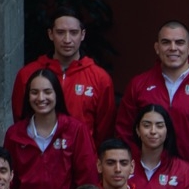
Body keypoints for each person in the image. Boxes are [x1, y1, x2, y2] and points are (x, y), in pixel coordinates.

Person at [113, 21, 189, 176]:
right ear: (157, 48)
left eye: (179, 42)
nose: (173, 48)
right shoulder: (138, 85)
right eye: (166, 42)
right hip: (145, 179)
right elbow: (124, 134)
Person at [4, 68, 99, 189]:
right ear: (27, 97)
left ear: (57, 95)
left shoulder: (75, 130)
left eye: (47, 92)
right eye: (34, 92)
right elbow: (9, 182)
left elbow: (87, 180)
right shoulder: (14, 134)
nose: (41, 98)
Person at [12, 10, 116, 147]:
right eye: (60, 32)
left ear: (82, 35)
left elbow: (104, 132)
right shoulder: (27, 74)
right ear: (50, 34)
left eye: (73, 32)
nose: (67, 40)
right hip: (38, 158)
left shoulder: (100, 78)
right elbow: (20, 123)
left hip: (83, 161)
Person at [128, 104, 189, 189]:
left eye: (159, 126)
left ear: (167, 131)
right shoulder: (123, 167)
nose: (153, 131)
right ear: (137, 130)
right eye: (146, 125)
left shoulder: (186, 173)